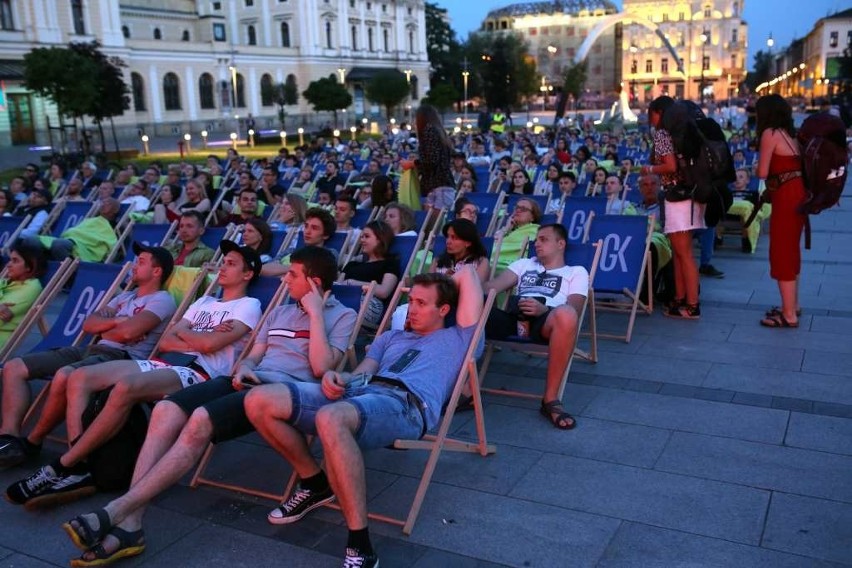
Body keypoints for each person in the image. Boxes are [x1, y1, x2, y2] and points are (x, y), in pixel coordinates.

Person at [59, 247, 357, 566]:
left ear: (313, 282)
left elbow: (321, 368)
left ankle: (118, 511)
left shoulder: (343, 315)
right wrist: (244, 366)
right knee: (166, 409)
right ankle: (131, 522)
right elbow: (255, 354)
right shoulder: (279, 311)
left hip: (283, 390)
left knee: (199, 420)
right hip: (248, 378)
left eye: (293, 274)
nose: (285, 280)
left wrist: (314, 314)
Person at [242, 264, 484, 567]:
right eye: (411, 302)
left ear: (444, 308)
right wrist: (341, 379)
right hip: (361, 394)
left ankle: (360, 544)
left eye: (422, 303)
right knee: (258, 400)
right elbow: (362, 374)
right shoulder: (390, 338)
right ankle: (316, 484)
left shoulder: (461, 337)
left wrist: (442, 280)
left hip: (406, 405)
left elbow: (470, 275)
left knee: (331, 418)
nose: (412, 309)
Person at [6, 241, 261, 509]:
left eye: (231, 264)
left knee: (125, 387)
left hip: (201, 373)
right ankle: (80, 463)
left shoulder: (249, 305)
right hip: (169, 362)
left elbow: (208, 347)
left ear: (247, 274)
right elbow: (166, 342)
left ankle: (65, 464)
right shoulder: (205, 301)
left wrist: (188, 335)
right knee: (81, 378)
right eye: (223, 261)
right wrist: (198, 336)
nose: (222, 266)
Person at [0, 244, 176, 470]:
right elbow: (89, 324)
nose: (133, 265)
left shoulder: (162, 300)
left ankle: (33, 442)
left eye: (141, 261)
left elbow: (128, 333)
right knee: (14, 367)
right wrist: (116, 323)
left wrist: (110, 327)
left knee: (65, 375)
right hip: (90, 349)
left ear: (157, 271)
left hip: (119, 358)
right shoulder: (124, 296)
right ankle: (9, 438)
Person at [484, 224, 587, 429]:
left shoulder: (576, 272)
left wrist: (545, 310)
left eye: (543, 239)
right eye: (536, 240)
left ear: (561, 244)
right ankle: (465, 390)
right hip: (514, 319)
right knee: (472, 301)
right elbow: (491, 288)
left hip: (546, 323)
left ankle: (549, 400)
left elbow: (574, 309)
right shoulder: (524, 264)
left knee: (566, 314)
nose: (536, 243)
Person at [641, 96, 702, 319]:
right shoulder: (680, 132)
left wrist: (649, 169)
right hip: (688, 195)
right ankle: (679, 298)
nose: (651, 119)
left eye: (652, 114)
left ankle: (692, 304)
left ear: (659, 112)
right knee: (680, 252)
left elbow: (670, 165)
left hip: (678, 196)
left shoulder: (663, 134)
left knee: (684, 254)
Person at [755, 94, 806, 328]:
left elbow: (763, 172)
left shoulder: (770, 134)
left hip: (785, 198)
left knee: (782, 252)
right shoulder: (790, 135)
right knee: (791, 250)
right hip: (799, 195)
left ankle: (788, 314)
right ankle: (792, 305)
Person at [18, 198, 120, 263]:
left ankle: (69, 276)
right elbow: (76, 231)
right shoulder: (90, 220)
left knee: (59, 244)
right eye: (103, 202)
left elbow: (108, 244)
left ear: (115, 210)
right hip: (71, 240)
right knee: (31, 240)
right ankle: (37, 268)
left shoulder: (110, 228)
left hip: (83, 248)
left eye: (108, 204)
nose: (103, 205)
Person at [340, 220, 400, 327]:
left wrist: (354, 283)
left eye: (366, 236)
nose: (362, 240)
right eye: (361, 237)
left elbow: (384, 291)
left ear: (380, 239)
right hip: (346, 301)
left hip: (370, 304)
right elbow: (339, 286)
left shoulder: (389, 264)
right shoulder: (352, 264)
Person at [0, 241, 47, 348]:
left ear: (29, 266)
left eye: (15, 261)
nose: (8, 265)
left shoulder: (31, 288)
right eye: (10, 260)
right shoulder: (6, 282)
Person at [410, 104, 454, 201]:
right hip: (442, 185)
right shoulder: (438, 131)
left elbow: (431, 160)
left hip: (438, 187)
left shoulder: (429, 131)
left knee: (437, 216)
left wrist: (412, 163)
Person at [494, 197, 541, 274]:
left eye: (523, 209)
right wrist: (506, 228)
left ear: (532, 217)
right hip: (495, 260)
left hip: (510, 267)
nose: (518, 210)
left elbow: (495, 247)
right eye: (517, 207)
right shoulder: (509, 230)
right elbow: (494, 243)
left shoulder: (536, 230)